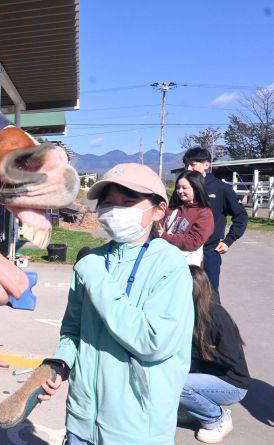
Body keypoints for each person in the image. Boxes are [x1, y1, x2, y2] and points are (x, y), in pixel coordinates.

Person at [38, 163, 194, 445]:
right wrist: (61, 362)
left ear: (159, 209)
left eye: (129, 202)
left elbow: (152, 341)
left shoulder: (169, 265)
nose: (115, 210)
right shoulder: (92, 262)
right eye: (108, 204)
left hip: (136, 428)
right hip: (81, 420)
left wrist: (97, 278)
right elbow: (73, 329)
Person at [180, 266, 249, 443]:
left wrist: (196, 353)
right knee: (170, 375)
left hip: (232, 383)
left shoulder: (216, 315)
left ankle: (216, 418)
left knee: (178, 384)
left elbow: (230, 358)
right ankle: (196, 410)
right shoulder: (188, 312)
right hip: (207, 374)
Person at [182, 147, 248, 295]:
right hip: (183, 249)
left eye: (193, 164)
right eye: (186, 164)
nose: (188, 168)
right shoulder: (182, 188)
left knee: (209, 295)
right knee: (182, 292)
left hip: (209, 251)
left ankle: (212, 319)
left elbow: (241, 216)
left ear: (206, 165)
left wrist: (228, 240)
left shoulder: (221, 188)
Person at [157, 170, 214, 266]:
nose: (180, 191)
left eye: (184, 188)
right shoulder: (172, 208)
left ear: (196, 188)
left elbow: (194, 241)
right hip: (164, 261)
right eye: (178, 187)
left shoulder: (204, 213)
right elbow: (158, 226)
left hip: (186, 265)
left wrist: (165, 235)